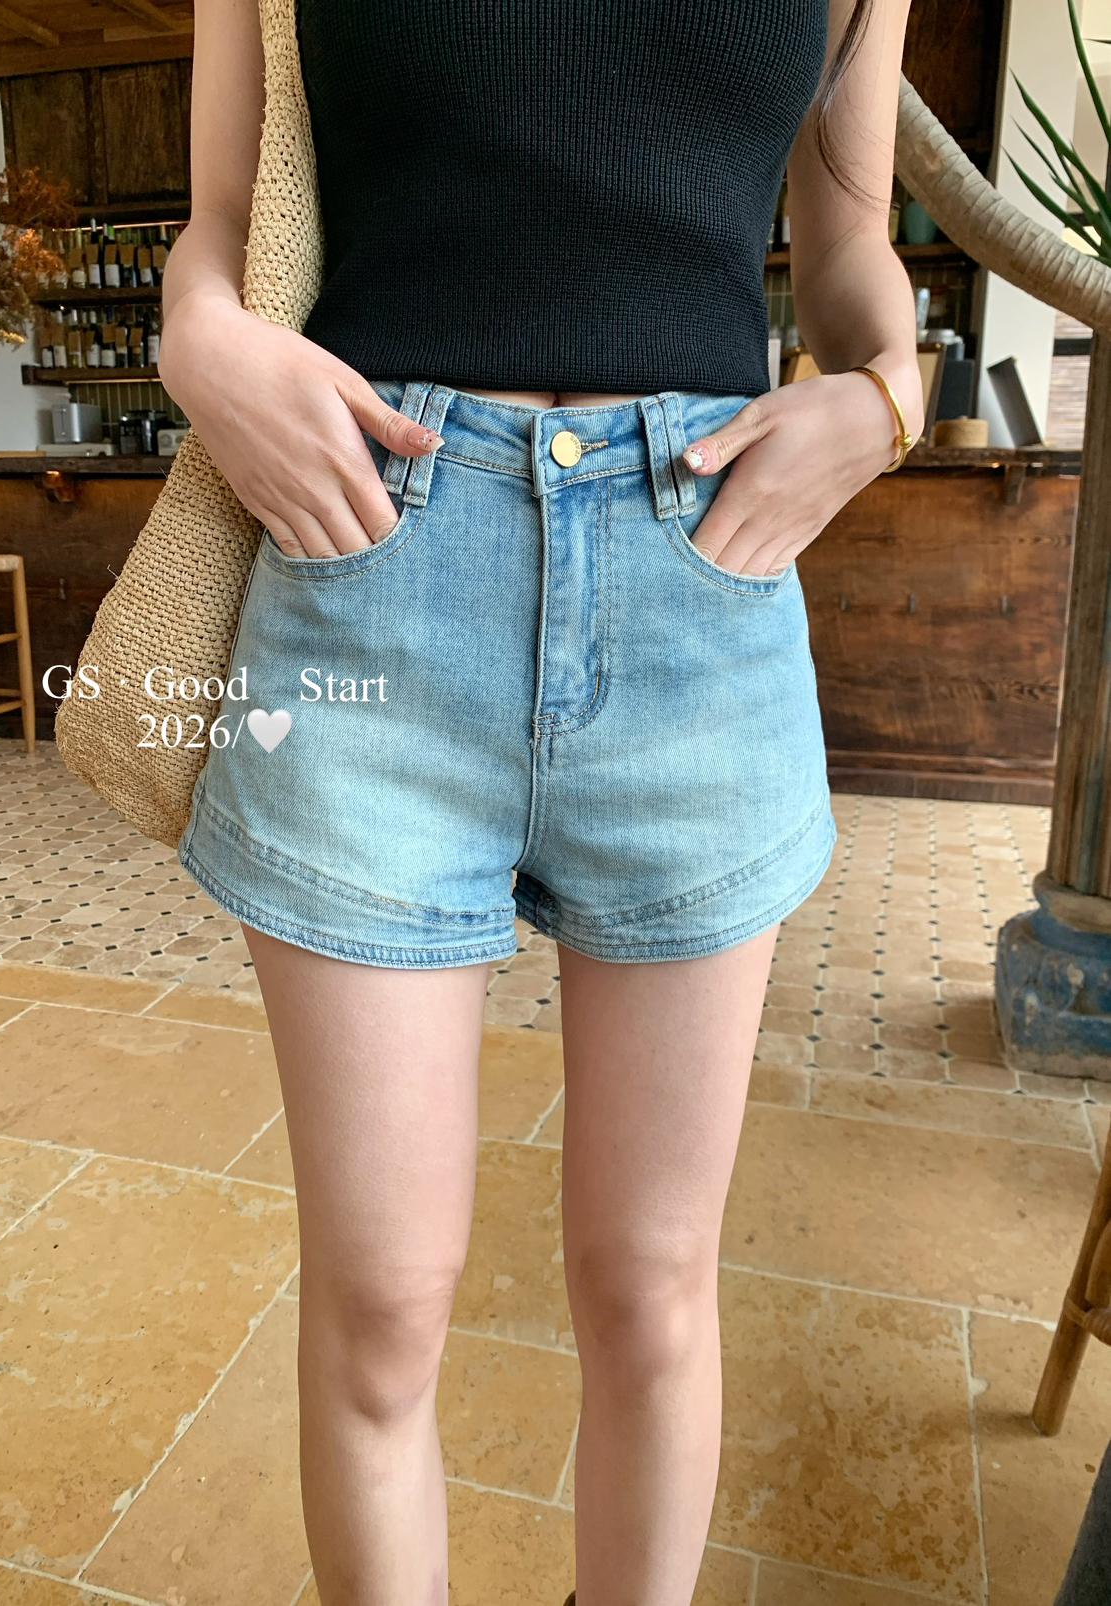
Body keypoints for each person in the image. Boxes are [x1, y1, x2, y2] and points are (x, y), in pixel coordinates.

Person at [160, 1, 923, 1601]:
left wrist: (887, 397)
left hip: (698, 572)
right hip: (372, 552)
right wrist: (199, 337)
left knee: (652, 1286)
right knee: (379, 1300)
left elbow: (849, 243)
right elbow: (219, 220)